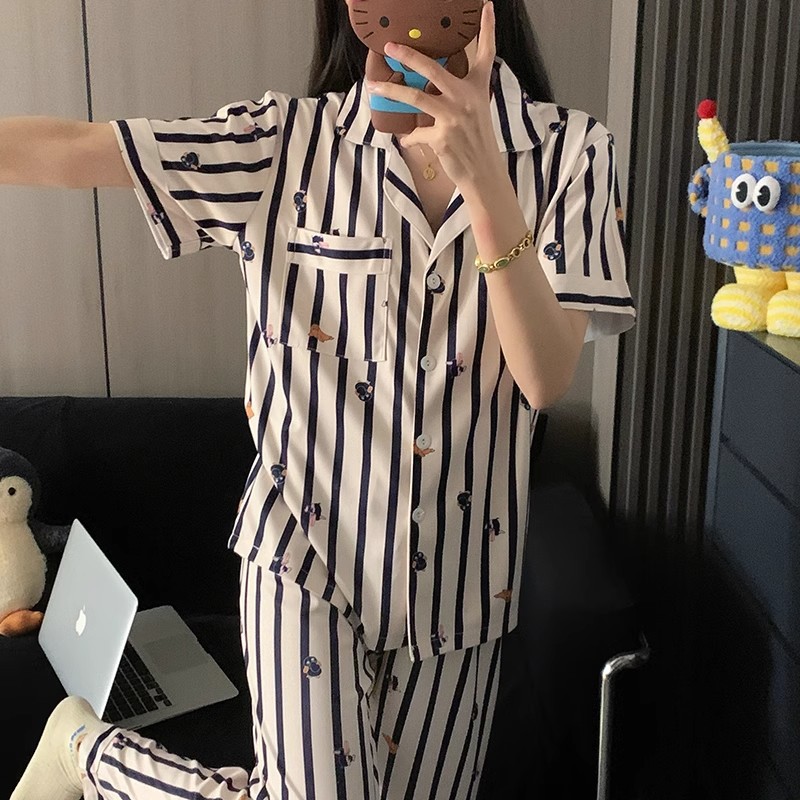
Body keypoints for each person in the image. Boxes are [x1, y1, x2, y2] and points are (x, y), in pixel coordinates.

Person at [5, 0, 636, 798]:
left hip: (464, 584)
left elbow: (543, 377)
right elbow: (77, 149)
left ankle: (92, 755)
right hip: (303, 554)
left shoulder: (574, 152)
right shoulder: (284, 143)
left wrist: (484, 179)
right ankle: (90, 757)